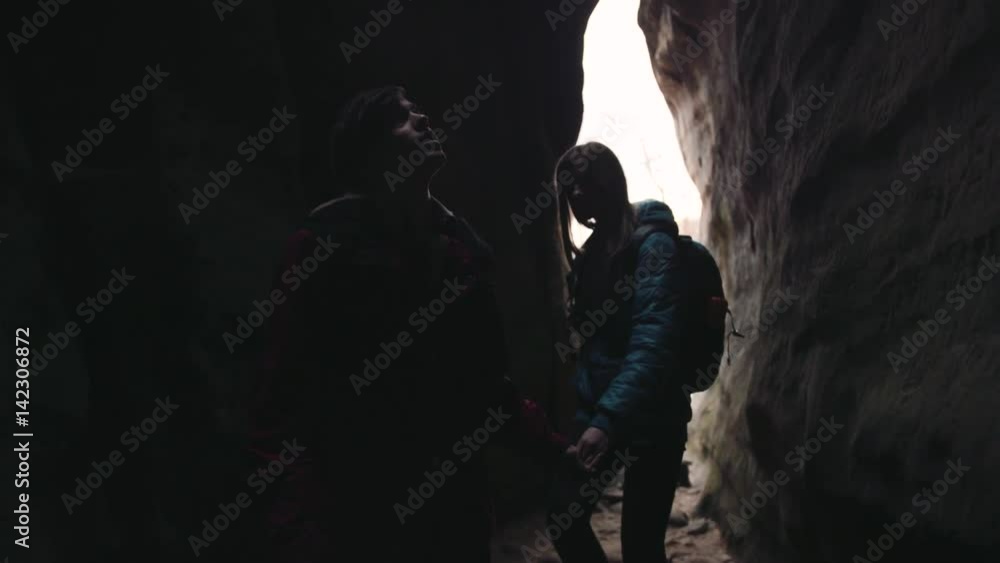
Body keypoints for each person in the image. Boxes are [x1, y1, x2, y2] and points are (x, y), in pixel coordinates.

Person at [246, 86, 571, 562]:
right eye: (402, 117)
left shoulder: (462, 253)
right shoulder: (321, 250)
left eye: (418, 110)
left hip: (455, 510)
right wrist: (294, 531)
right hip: (360, 512)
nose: (423, 118)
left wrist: (557, 450)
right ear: (369, 148)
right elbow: (282, 396)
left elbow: (485, 388)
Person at [547, 142, 718, 563]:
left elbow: (653, 343)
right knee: (564, 517)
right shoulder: (592, 253)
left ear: (611, 182)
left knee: (641, 546)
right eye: (570, 186)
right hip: (604, 413)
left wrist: (606, 420)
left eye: (587, 182)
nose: (578, 194)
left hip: (654, 419)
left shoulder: (653, 247)